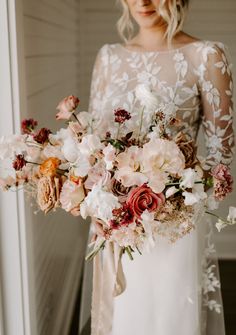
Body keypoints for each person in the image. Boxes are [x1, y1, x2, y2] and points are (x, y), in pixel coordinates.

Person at [81, 0, 234, 334]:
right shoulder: (108, 57)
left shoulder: (206, 56)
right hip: (116, 224)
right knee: (124, 318)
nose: (142, 2)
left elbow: (221, 162)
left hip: (172, 230)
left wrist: (171, 195)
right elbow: (92, 146)